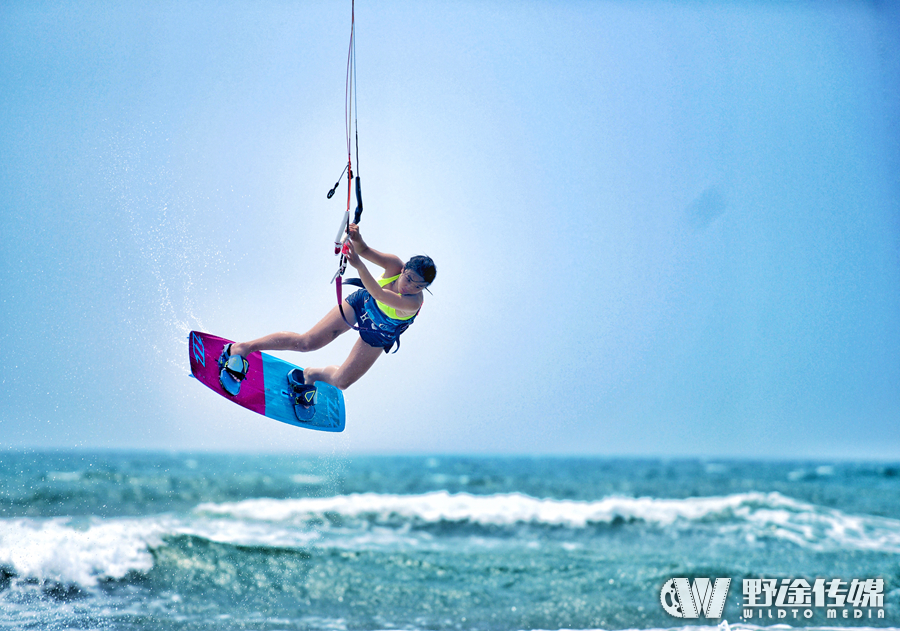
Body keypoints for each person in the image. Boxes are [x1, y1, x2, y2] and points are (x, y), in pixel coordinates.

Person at [217, 224, 435, 407]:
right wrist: (356, 237)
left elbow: (379, 293)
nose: (410, 287)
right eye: (408, 279)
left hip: (380, 334)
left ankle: (310, 375)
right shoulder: (394, 265)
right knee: (306, 343)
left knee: (341, 382)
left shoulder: (413, 303)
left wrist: (358, 266)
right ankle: (243, 348)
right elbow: (365, 249)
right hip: (362, 305)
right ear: (405, 268)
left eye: (419, 286)